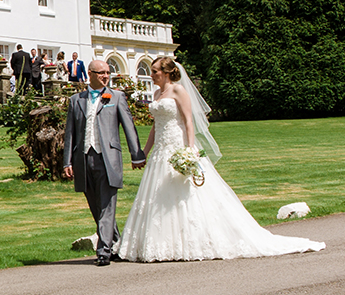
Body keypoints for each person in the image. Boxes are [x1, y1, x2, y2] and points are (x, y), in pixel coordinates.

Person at [114, 57, 325, 262]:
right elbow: (156, 125)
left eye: (155, 71)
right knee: (158, 194)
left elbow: (189, 121)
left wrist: (189, 151)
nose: (151, 76)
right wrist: (144, 151)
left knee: (187, 194)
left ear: (167, 72)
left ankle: (194, 240)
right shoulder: (158, 92)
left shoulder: (178, 90)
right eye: (151, 72)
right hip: (161, 150)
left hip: (177, 146)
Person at [62, 59, 146, 265]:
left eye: (108, 72)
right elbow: (70, 133)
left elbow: (129, 127)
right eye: (101, 73)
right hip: (83, 158)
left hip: (108, 158)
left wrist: (137, 155)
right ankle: (116, 242)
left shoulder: (116, 97)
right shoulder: (76, 100)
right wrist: (67, 162)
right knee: (95, 206)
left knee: (107, 205)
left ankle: (104, 251)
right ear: (89, 74)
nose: (105, 76)